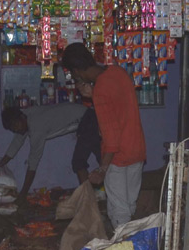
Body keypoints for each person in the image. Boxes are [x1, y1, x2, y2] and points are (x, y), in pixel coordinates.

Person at [59, 42, 146, 228]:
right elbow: (119, 107)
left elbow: (111, 138)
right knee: (129, 206)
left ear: (76, 71)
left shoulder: (100, 92)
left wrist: (102, 169)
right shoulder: (118, 72)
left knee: (119, 211)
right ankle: (130, 246)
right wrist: (94, 95)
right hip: (137, 150)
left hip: (118, 157)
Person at [0, 102, 86, 198]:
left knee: (79, 163)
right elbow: (16, 143)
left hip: (85, 117)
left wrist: (23, 193)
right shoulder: (25, 116)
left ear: (22, 117)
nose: (16, 130)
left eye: (16, 126)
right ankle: (87, 194)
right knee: (80, 162)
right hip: (81, 114)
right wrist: (0, 164)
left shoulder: (36, 126)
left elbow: (33, 162)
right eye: (13, 129)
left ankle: (87, 197)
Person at [71, 76, 102, 187]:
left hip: (92, 123)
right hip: (90, 122)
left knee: (80, 161)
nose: (80, 88)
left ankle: (87, 195)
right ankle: (87, 194)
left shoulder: (98, 83)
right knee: (101, 159)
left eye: (82, 85)